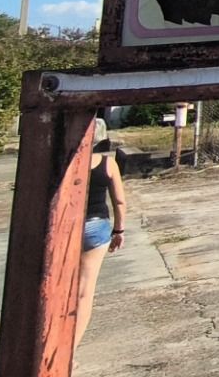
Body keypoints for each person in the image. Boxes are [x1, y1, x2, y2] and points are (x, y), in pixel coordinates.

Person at [77, 117, 127, 350]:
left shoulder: (69, 163)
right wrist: (119, 230)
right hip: (95, 226)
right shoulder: (108, 165)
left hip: (67, 227)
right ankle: (69, 351)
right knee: (84, 292)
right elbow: (119, 201)